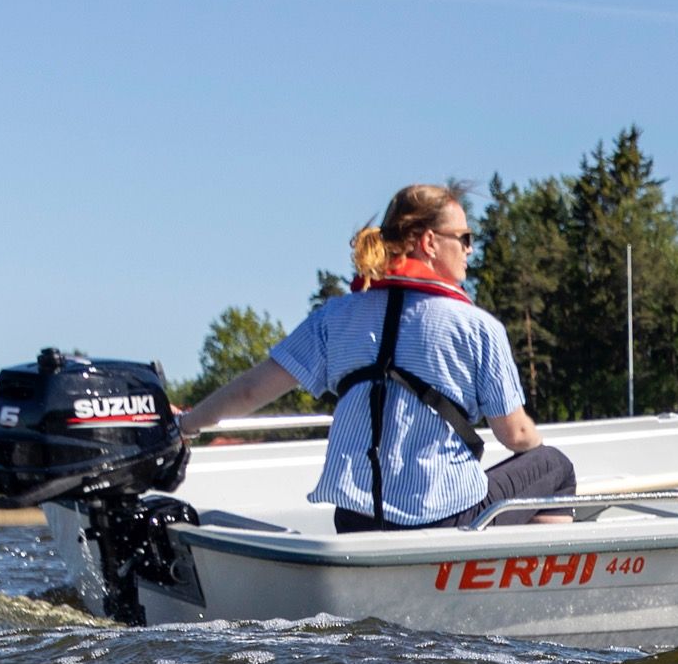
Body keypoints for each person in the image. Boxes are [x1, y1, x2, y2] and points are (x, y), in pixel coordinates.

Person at [179, 184, 576, 531]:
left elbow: (249, 391)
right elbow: (516, 435)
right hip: (444, 518)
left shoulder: (334, 316)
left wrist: (186, 425)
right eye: (466, 237)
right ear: (430, 242)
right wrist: (536, 446)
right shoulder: (477, 327)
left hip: (356, 519)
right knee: (554, 467)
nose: (471, 249)